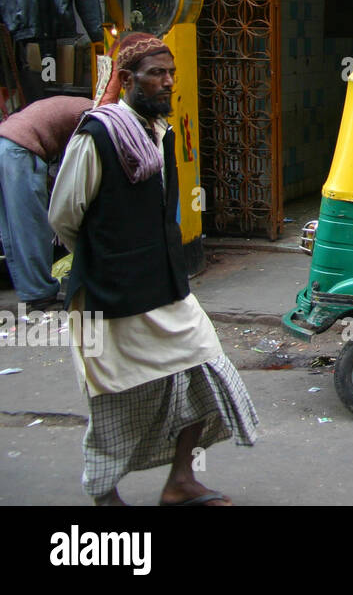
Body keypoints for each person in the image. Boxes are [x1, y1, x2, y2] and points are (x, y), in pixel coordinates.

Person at [49, 32, 258, 506]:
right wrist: (110, 256)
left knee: (206, 365)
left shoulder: (158, 134)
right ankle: (105, 495)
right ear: (127, 79)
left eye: (171, 74)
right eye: (156, 74)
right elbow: (64, 216)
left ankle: (179, 481)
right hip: (110, 295)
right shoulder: (96, 134)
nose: (167, 82)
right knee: (114, 399)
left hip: (166, 288)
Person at [0, 95, 93, 309]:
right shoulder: (94, 115)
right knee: (31, 227)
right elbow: (77, 165)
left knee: (14, 230)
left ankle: (34, 292)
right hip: (19, 150)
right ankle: (40, 295)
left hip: (7, 145)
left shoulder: (79, 107)